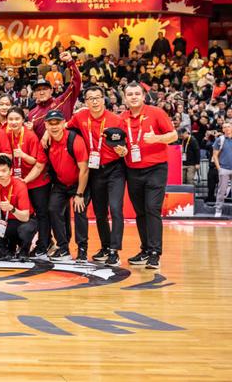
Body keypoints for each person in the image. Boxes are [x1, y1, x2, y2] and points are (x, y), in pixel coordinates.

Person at [118, 82, 177, 269]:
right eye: (130, 94)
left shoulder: (156, 113)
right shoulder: (122, 118)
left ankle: (154, 253)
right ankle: (145, 249)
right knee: (140, 212)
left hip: (155, 169)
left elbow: (174, 135)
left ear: (143, 96)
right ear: (125, 98)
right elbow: (121, 143)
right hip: (132, 170)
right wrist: (121, 150)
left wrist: (156, 138)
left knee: (152, 208)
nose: (134, 97)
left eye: (137, 93)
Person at [65, 85, 126, 265]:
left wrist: (124, 151)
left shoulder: (116, 120)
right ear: (86, 102)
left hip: (115, 169)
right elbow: (63, 128)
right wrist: (46, 134)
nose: (95, 101)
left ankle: (114, 251)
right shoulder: (80, 117)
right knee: (100, 212)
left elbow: (126, 145)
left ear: (103, 99)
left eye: (98, 97)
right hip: (95, 170)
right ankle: (105, 247)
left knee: (115, 208)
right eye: (91, 98)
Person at [42, 110, 89, 262]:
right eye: (51, 123)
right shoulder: (47, 142)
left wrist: (80, 194)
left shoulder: (75, 140)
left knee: (79, 211)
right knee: (53, 209)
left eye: (57, 123)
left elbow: (84, 169)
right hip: (61, 183)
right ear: (46, 125)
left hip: (79, 183)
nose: (54, 126)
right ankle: (63, 248)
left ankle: (82, 249)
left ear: (64, 123)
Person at [6, 107, 51, 258]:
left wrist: (23, 156)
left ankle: (43, 245)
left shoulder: (30, 136)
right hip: (19, 182)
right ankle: (21, 245)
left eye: (17, 119)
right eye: (11, 119)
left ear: (23, 120)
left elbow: (37, 162)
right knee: (23, 214)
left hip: (36, 181)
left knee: (42, 213)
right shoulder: (7, 135)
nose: (14, 122)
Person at [0, 155, 37, 261]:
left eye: (4, 171)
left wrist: (11, 208)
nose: (0, 174)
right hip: (6, 221)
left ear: (11, 171)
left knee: (26, 229)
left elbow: (25, 217)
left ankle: (24, 249)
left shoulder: (20, 186)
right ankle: (1, 249)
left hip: (22, 220)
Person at [27, 51, 82, 138]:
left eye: (45, 89)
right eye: (38, 90)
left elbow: (76, 82)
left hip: (65, 145)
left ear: (51, 91)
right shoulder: (31, 114)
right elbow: (33, 140)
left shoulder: (63, 101)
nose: (42, 92)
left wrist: (70, 61)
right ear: (34, 94)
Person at [212, 121, 232, 205]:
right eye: (224, 127)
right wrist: (219, 169)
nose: (227, 128)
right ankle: (218, 210)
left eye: (228, 126)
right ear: (223, 129)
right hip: (224, 168)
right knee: (221, 191)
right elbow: (215, 156)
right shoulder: (220, 139)